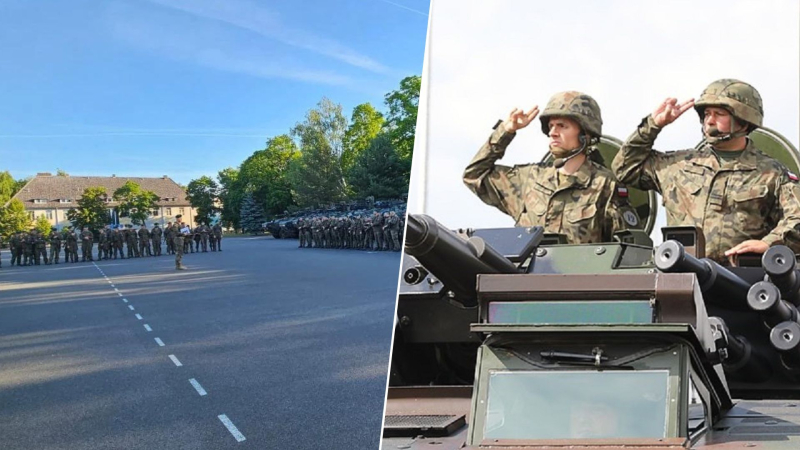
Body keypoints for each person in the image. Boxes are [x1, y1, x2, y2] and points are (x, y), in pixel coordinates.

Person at [612, 79, 800, 264]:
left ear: (743, 121)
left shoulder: (771, 173)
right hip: (679, 277)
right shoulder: (678, 165)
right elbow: (624, 168)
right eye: (707, 114)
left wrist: (768, 243)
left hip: (741, 281)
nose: (710, 120)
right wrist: (653, 126)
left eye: (719, 114)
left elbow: (797, 218)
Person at [464, 91, 641, 244]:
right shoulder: (528, 179)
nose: (553, 132)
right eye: (551, 126)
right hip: (525, 282)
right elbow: (474, 175)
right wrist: (505, 131)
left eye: (562, 126)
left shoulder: (605, 186)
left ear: (585, 134)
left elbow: (630, 248)